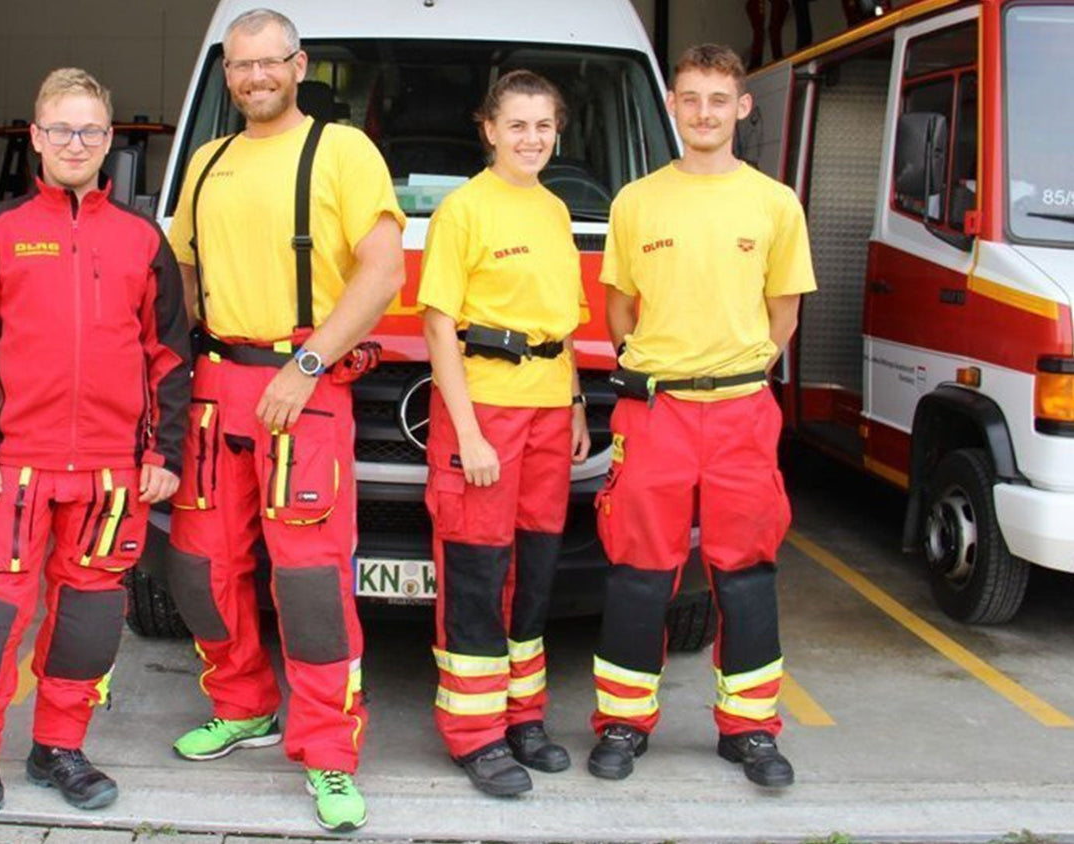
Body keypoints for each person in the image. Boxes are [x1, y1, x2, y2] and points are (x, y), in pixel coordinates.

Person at [0, 68, 190, 839]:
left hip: (111, 476)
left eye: (92, 131)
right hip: (10, 471)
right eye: (62, 130)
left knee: (88, 622)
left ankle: (59, 749)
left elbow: (167, 356)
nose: (77, 144)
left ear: (110, 141)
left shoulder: (142, 241)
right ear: (36, 136)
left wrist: (165, 451)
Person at [164, 7, 405, 833]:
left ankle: (330, 754)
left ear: (300, 67)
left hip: (304, 387)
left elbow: (382, 273)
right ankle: (244, 706)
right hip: (215, 386)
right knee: (200, 569)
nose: (255, 78)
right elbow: (185, 281)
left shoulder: (342, 152)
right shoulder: (206, 161)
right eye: (240, 66)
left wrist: (307, 366)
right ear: (226, 75)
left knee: (308, 585)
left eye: (270, 63)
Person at [586, 43, 816, 789]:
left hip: (742, 411)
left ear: (742, 108)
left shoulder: (775, 203)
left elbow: (784, 314)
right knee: (637, 572)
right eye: (691, 99)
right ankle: (622, 722)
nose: (705, 112)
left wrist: (737, 371)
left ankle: (749, 731)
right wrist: (666, 368)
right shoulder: (636, 201)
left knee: (745, 572)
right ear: (673, 106)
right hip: (656, 411)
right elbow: (619, 309)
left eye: (719, 99)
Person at [415, 70, 591, 798]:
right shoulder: (464, 210)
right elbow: (436, 325)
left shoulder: (555, 210)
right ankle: (475, 735)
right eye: (516, 124)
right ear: (488, 129)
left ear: (558, 132)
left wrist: (576, 404)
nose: (531, 138)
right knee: (478, 573)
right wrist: (469, 434)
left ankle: (524, 716)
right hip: (484, 412)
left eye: (543, 125)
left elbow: (565, 327)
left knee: (535, 570)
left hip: (550, 411)